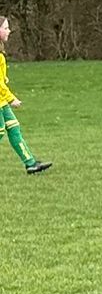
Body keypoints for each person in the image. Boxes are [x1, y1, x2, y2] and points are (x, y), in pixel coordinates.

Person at [0, 15, 53, 175]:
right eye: (6, 28)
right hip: (2, 99)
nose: (9, 31)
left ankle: (30, 164)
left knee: (14, 128)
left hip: (1, 101)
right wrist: (11, 98)